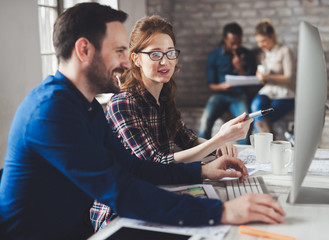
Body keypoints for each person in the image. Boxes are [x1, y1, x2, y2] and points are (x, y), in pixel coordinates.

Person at [0, 3, 285, 239]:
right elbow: (120, 189)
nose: (127, 62)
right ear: (84, 50)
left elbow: (135, 167)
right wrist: (222, 212)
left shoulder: (85, 107)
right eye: (120, 51)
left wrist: (203, 172)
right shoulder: (51, 113)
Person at [91, 15, 253, 230]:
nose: (165, 61)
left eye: (170, 53)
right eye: (155, 54)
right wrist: (218, 139)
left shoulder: (162, 96)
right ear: (136, 59)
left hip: (156, 194)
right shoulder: (123, 103)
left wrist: (221, 146)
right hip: (118, 214)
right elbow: (155, 163)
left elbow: (188, 139)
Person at [199, 22, 257, 144]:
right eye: (232, 43)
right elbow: (211, 85)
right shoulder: (214, 56)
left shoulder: (247, 55)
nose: (236, 46)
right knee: (205, 121)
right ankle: (203, 154)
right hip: (220, 95)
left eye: (238, 43)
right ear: (224, 40)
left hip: (239, 96)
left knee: (245, 123)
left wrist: (240, 68)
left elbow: (251, 84)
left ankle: (243, 156)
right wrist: (222, 86)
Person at [251, 19, 296, 133]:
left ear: (272, 36)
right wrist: (260, 77)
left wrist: (267, 77)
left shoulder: (285, 51)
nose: (260, 45)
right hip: (268, 91)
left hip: (285, 93)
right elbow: (264, 80)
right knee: (256, 105)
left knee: (262, 118)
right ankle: (270, 142)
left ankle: (265, 145)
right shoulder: (263, 55)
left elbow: (288, 78)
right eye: (258, 41)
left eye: (263, 41)